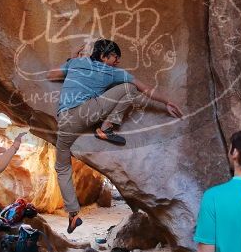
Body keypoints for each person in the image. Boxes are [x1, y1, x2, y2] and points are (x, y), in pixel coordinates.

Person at [47, 38, 183, 233]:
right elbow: (144, 89)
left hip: (65, 120)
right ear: (104, 56)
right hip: (86, 112)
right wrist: (167, 101)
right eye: (115, 57)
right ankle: (106, 128)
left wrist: (74, 59)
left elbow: (52, 74)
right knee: (130, 88)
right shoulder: (113, 72)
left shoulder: (75, 63)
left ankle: (73, 214)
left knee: (61, 167)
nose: (117, 61)